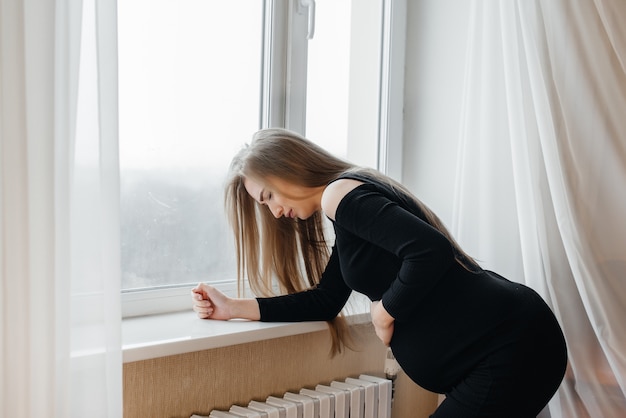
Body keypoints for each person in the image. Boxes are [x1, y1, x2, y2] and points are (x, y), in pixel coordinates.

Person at [191, 128, 568, 417]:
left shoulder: (340, 195)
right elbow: (326, 300)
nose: (273, 212)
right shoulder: (345, 208)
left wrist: (384, 312)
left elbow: (429, 251)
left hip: (510, 347)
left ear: (286, 169)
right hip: (506, 347)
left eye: (268, 196)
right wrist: (233, 308)